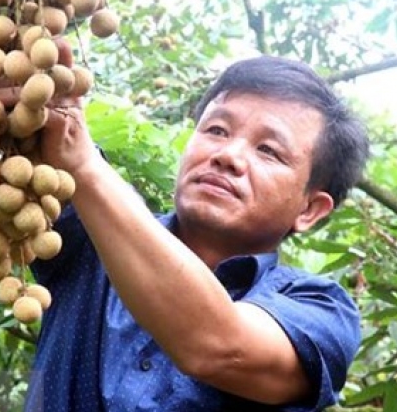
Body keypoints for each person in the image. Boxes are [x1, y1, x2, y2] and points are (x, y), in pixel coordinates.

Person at [24, 55, 370, 411]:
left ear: (310, 209)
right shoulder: (88, 227)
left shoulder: (322, 311)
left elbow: (218, 347)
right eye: (217, 130)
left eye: (268, 150)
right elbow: (24, 135)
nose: (228, 155)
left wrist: (84, 164)